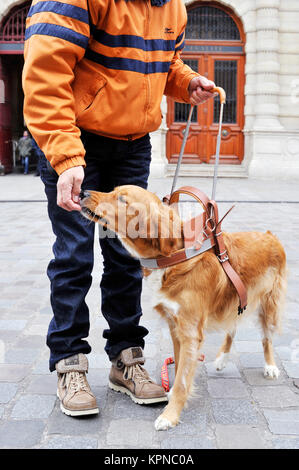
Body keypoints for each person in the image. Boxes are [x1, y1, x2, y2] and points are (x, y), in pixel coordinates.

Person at [22, 0, 215, 417]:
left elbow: (166, 62)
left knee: (128, 257)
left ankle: (126, 358)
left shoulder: (172, 7)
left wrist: (186, 82)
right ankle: (69, 363)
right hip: (78, 143)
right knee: (74, 255)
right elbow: (46, 75)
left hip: (131, 150)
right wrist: (67, 158)